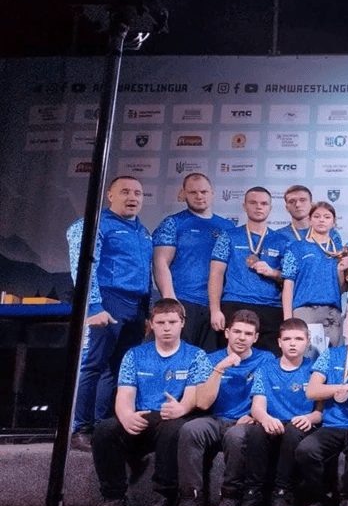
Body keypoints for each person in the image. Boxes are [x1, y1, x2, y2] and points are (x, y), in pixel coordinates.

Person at [81, 299, 208, 506]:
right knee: (104, 430)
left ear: (182, 323)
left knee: (173, 429)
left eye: (172, 322)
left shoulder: (196, 355)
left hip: (174, 415)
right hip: (142, 417)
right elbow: (124, 395)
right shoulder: (135, 355)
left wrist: (181, 407)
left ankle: (164, 498)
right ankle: (113, 499)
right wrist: (126, 416)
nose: (166, 328)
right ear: (151, 324)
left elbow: (193, 396)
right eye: (161, 322)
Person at [68, 176, 153, 446]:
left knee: (119, 369)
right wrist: (94, 305)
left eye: (138, 193)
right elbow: (81, 266)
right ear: (110, 195)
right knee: (93, 365)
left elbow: (146, 274)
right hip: (107, 300)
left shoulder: (143, 231)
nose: (132, 197)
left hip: (135, 306)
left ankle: (104, 429)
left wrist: (147, 312)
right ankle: (81, 430)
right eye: (125, 192)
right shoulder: (94, 224)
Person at [169, 310, 272, 506]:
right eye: (237, 332)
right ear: (227, 333)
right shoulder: (210, 359)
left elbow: (267, 396)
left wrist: (254, 416)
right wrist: (220, 368)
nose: (241, 338)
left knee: (236, 436)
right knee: (190, 429)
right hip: (216, 419)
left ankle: (230, 498)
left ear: (255, 337)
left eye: (248, 334)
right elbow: (203, 403)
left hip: (246, 421)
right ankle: (191, 500)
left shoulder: (265, 359)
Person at [295, 305, 348, 506]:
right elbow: (312, 391)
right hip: (332, 424)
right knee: (306, 450)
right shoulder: (331, 355)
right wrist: (346, 387)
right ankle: (321, 500)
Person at [242, 318, 323, 506]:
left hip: (301, 424)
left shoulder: (315, 369)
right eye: (287, 339)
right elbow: (257, 407)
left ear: (308, 342)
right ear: (279, 342)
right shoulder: (265, 369)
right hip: (274, 422)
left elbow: (320, 412)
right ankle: (253, 496)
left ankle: (282, 495)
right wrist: (265, 418)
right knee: (257, 432)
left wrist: (309, 418)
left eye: (298, 339)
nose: (292, 343)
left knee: (293, 431)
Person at [152, 173, 234, 350]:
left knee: (209, 361)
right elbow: (160, 262)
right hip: (183, 301)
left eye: (204, 192)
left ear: (212, 192)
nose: (199, 196)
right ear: (183, 194)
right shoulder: (173, 223)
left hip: (216, 307)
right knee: (177, 358)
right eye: (193, 192)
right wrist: (171, 301)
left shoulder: (228, 227)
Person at [208, 186, 290, 353]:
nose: (258, 207)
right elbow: (216, 274)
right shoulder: (228, 236)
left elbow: (289, 279)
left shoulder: (282, 241)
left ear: (270, 208)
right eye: (253, 203)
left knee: (268, 360)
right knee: (231, 359)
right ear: (244, 206)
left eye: (263, 203)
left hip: (270, 308)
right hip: (234, 304)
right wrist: (215, 310)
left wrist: (272, 272)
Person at [281, 201, 348, 355]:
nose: (321, 220)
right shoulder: (297, 248)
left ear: (334, 222)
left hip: (333, 312)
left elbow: (341, 288)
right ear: (310, 220)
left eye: (327, 217)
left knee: (329, 359)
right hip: (306, 310)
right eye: (317, 216)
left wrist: (342, 271)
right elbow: (288, 285)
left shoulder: (339, 252)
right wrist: (288, 319)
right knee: (305, 357)